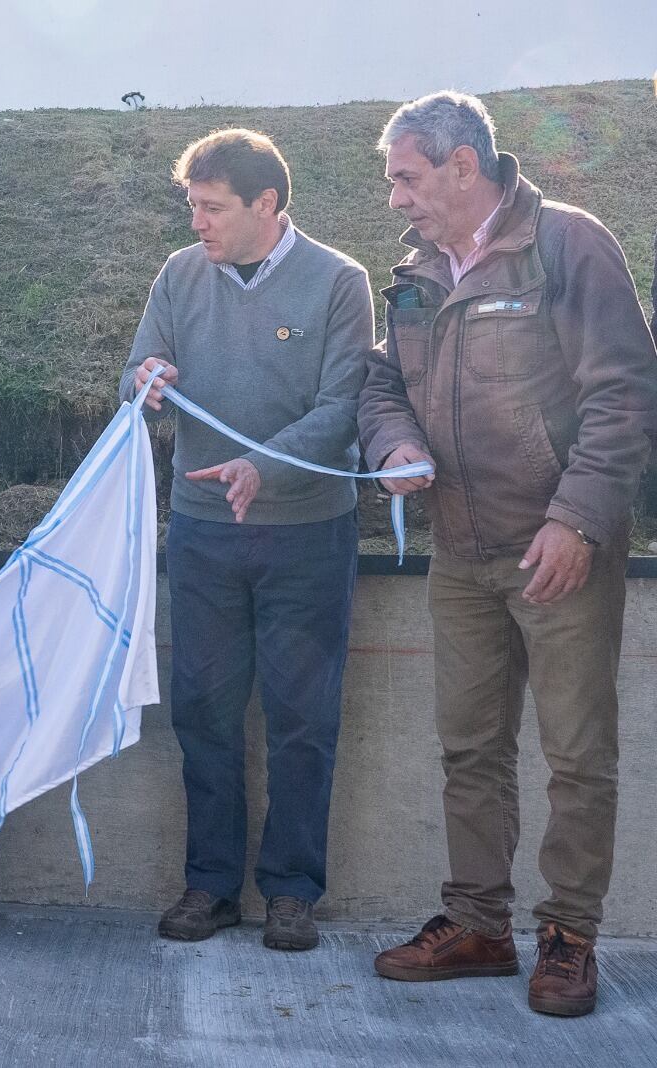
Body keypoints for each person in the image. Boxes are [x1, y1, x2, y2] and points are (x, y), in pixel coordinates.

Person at [361, 91, 657, 1018]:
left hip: (556, 550)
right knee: (470, 749)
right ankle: (479, 925)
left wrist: (577, 518)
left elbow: (624, 393)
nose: (397, 199)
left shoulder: (567, 244)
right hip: (460, 551)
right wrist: (394, 445)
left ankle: (568, 935)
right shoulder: (410, 273)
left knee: (577, 755)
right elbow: (380, 383)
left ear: (462, 164)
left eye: (406, 178)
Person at [122, 129, 372, 953]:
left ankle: (293, 893)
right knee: (204, 713)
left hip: (307, 538)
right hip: (201, 539)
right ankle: (210, 887)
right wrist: (148, 382)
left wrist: (263, 468)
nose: (197, 221)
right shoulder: (179, 274)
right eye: (192, 204)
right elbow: (137, 369)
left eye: (212, 206)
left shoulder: (340, 282)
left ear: (267, 204)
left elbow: (344, 412)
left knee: (302, 718)